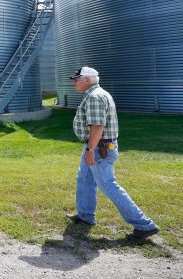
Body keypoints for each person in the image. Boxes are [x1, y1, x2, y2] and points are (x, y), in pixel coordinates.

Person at [67, 66, 160, 240]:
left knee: (107, 184)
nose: (74, 82)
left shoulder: (94, 97)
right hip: (95, 145)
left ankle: (144, 225)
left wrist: (90, 149)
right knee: (85, 178)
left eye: (76, 79)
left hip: (98, 148)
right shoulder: (96, 93)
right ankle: (86, 215)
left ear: (87, 80)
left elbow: (97, 127)